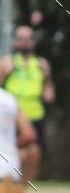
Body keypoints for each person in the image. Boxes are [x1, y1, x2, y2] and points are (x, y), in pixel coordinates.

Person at [0, 25, 55, 182]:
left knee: (35, 154)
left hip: (34, 114)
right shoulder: (8, 62)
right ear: (15, 41)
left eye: (28, 39)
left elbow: (48, 91)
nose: (25, 42)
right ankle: (10, 180)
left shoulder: (41, 64)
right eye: (21, 39)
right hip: (12, 117)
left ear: (34, 42)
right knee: (17, 153)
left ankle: (21, 190)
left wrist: (48, 85)